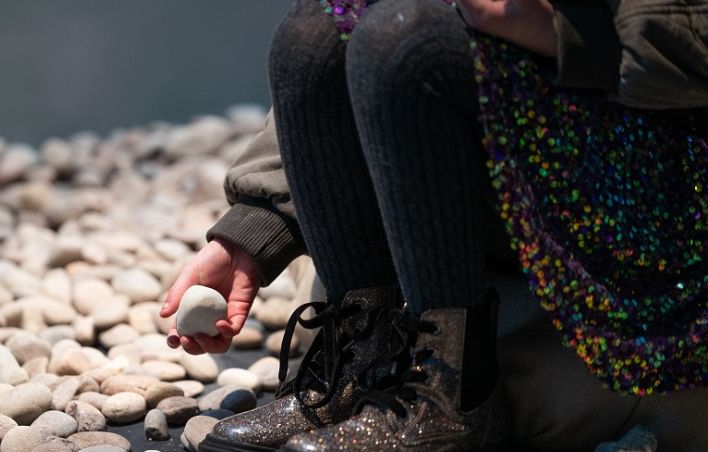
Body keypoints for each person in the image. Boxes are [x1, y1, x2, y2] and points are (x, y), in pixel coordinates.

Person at [160, 0, 708, 450]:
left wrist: (581, 31)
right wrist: (260, 222)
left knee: (408, 42)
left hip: (652, 179)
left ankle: (454, 399)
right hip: (470, 193)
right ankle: (367, 373)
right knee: (316, 35)